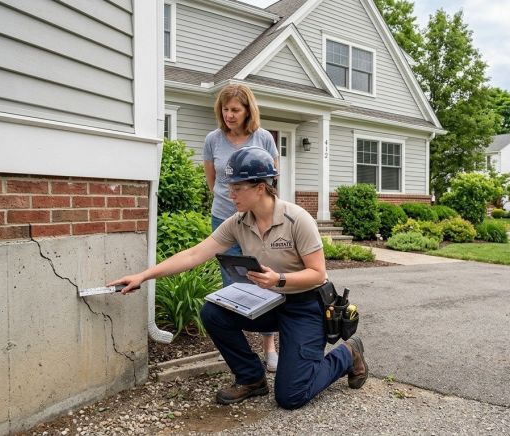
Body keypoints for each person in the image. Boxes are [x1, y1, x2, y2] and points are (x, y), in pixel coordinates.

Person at [109, 146, 368, 409]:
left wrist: (278, 279)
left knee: (292, 396)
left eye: (237, 188)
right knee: (213, 313)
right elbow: (194, 254)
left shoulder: (297, 219)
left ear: (260, 187)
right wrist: (144, 276)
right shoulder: (238, 222)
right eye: (229, 187)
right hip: (271, 301)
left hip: (306, 305)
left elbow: (317, 273)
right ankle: (251, 378)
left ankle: (348, 354)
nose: (229, 194)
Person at [204, 84, 280, 372]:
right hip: (224, 218)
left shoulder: (263, 138)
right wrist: (234, 201)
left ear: (248, 110)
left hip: (258, 222)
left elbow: (271, 181)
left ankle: (269, 346)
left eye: (235, 110)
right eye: (225, 109)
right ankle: (237, 348)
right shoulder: (213, 139)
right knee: (231, 283)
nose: (229, 115)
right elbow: (213, 182)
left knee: (262, 279)